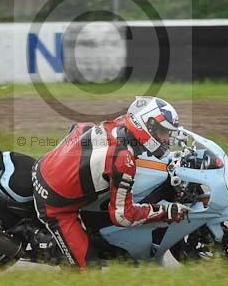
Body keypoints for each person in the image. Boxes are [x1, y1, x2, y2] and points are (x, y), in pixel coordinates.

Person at [31, 96, 189, 269]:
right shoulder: (124, 160)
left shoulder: (125, 124)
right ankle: (51, 246)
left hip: (50, 164)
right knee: (89, 271)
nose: (166, 138)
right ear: (147, 126)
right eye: (163, 132)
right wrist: (164, 212)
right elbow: (123, 216)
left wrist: (175, 139)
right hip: (54, 202)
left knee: (85, 127)